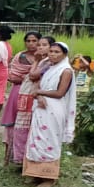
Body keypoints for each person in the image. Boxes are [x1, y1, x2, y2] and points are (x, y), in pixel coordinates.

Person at [23, 41, 76, 187]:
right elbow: (39, 84)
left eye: (57, 52)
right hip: (41, 108)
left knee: (50, 141)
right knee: (37, 140)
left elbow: (59, 93)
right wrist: (39, 95)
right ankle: (36, 174)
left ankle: (49, 178)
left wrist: (39, 92)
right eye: (51, 51)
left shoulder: (66, 71)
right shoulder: (48, 67)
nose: (52, 54)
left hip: (54, 110)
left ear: (64, 54)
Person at [13, 36, 56, 167]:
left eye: (44, 45)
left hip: (37, 97)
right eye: (40, 45)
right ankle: (22, 159)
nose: (40, 47)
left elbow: (33, 75)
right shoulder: (43, 61)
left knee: (28, 128)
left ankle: (28, 161)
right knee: (22, 128)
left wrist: (36, 61)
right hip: (28, 96)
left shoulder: (48, 62)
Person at [2, 31, 41, 165]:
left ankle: (29, 160)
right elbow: (11, 76)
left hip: (36, 94)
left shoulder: (46, 59)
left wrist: (29, 78)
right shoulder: (20, 56)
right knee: (14, 124)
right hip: (18, 93)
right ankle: (11, 157)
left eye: (34, 41)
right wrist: (26, 78)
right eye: (28, 41)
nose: (31, 43)